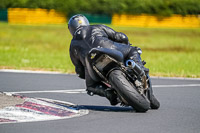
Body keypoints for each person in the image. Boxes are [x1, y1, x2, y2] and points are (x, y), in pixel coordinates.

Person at [68, 14, 146, 105]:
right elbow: (120, 36)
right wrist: (126, 43)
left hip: (90, 61)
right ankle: (139, 70)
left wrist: (86, 72)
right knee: (132, 50)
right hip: (108, 47)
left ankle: (109, 93)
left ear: (71, 28)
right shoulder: (96, 27)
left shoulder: (72, 45)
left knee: (90, 86)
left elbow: (79, 70)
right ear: (86, 21)